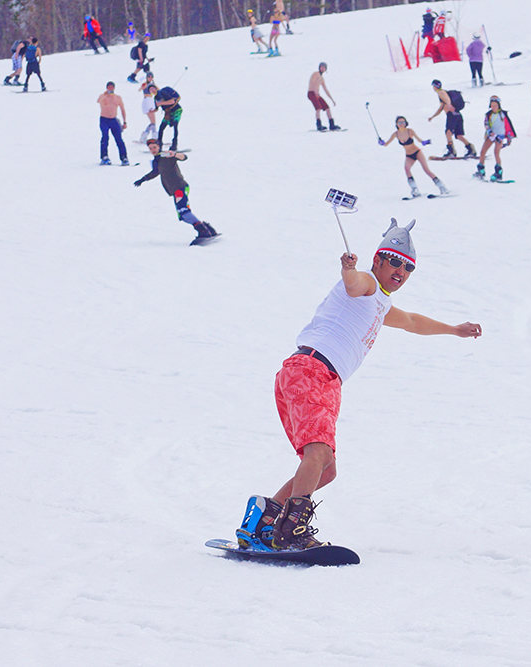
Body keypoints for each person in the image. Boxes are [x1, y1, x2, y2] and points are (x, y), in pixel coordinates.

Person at [235, 219, 482, 552]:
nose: (401, 270)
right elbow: (353, 285)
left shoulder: (381, 303)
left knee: (326, 470)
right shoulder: (366, 283)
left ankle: (265, 519)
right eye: (395, 261)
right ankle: (289, 532)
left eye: (408, 267)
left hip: (323, 379)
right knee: (318, 453)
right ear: (378, 259)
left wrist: (454, 329)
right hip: (311, 370)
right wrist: (348, 270)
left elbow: (411, 322)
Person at [132, 138, 218, 245]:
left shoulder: (167, 156)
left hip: (180, 187)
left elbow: (184, 157)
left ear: (159, 146)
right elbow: (155, 172)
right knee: (183, 214)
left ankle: (203, 231)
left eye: (154, 147)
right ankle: (208, 229)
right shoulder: (156, 160)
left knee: (184, 212)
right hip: (175, 189)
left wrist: (175, 154)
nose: (153, 150)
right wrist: (143, 179)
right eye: (150, 148)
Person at [379, 116, 448, 198]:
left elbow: (419, 140)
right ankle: (414, 189)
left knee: (426, 170)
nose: (401, 124)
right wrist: (382, 143)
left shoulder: (410, 131)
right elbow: (386, 144)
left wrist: (424, 142)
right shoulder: (396, 134)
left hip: (417, 152)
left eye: (403, 122)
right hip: (409, 155)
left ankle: (442, 187)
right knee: (407, 169)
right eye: (399, 123)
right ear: (396, 124)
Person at [428, 79, 475, 159]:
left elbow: (447, 101)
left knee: (448, 132)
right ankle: (471, 149)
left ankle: (451, 151)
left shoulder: (441, 92)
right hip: (458, 115)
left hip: (452, 114)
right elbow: (441, 108)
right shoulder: (443, 93)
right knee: (459, 135)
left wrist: (449, 105)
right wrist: (432, 117)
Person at [474, 95, 516, 182]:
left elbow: (508, 126)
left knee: (496, 153)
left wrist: (508, 137)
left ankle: (498, 172)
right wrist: (489, 132)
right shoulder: (488, 114)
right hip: (491, 136)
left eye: (495, 106)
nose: (494, 107)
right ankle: (481, 169)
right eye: (492, 105)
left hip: (499, 136)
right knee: (483, 152)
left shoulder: (503, 114)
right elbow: (486, 124)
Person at [98, 82, 129, 166]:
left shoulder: (117, 98)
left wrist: (124, 121)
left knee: (119, 139)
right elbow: (98, 101)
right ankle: (104, 156)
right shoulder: (103, 96)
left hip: (113, 120)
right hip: (104, 120)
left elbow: (122, 109)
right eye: (109, 87)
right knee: (105, 137)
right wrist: (105, 95)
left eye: (112, 87)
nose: (110, 89)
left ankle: (124, 157)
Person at [307, 62, 339, 131]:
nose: (322, 68)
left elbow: (326, 90)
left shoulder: (322, 79)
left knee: (327, 108)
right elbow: (312, 82)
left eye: (324, 67)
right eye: (321, 67)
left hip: (317, 94)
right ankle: (319, 125)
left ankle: (332, 125)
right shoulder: (315, 74)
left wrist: (332, 100)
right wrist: (315, 91)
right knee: (318, 108)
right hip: (311, 93)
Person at [154, 85, 182, 151]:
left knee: (175, 126)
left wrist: (161, 103)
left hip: (176, 111)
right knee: (161, 127)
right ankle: (159, 143)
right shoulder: (155, 98)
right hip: (168, 113)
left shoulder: (163, 93)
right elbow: (156, 108)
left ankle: (174, 145)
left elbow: (172, 101)